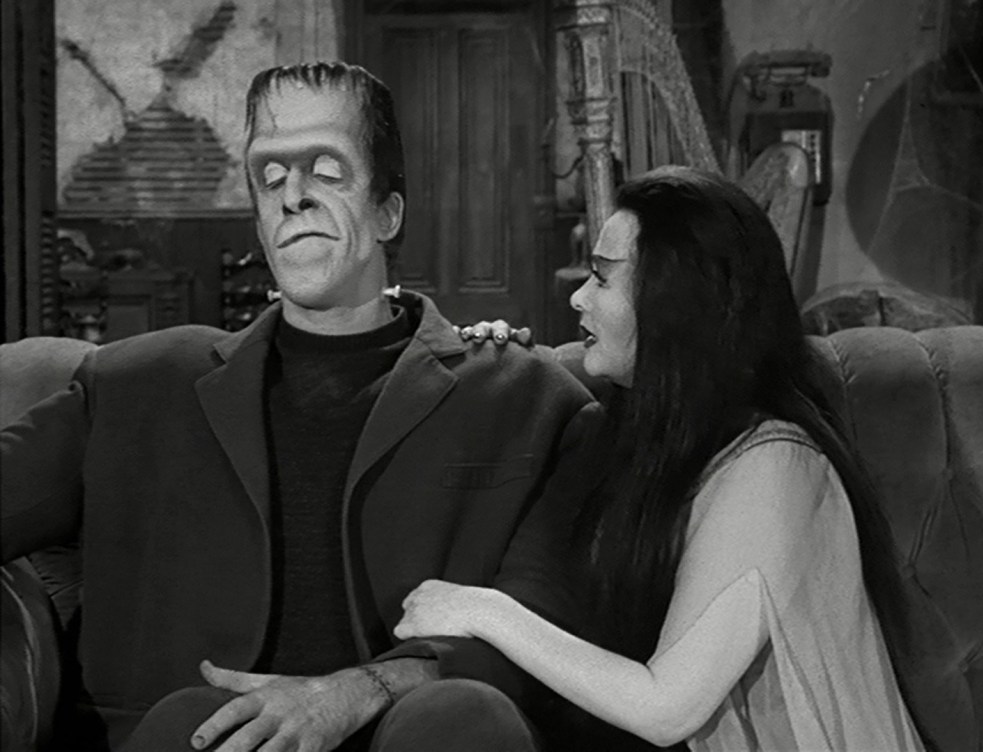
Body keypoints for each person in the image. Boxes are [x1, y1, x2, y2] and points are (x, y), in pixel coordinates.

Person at [0, 61, 594, 751]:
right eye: (270, 176)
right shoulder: (136, 384)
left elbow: (551, 623)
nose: (293, 196)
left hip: (417, 732)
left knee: (462, 715)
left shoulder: (527, 397)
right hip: (199, 735)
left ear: (388, 212)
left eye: (326, 170)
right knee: (190, 719)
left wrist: (370, 687)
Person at [395, 166, 927, 751]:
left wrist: (483, 611)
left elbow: (666, 708)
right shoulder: (647, 437)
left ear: (677, 302)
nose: (578, 296)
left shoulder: (775, 463)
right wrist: (494, 366)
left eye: (602, 277)